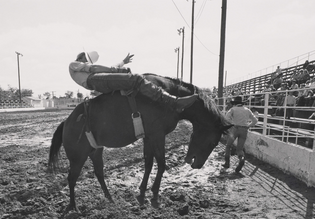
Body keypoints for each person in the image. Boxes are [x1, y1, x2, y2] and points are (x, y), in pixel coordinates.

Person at [68, 51, 198, 112]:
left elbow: (103, 71)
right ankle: (173, 102)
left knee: (128, 73)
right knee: (135, 79)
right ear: (81, 57)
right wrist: (115, 70)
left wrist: (122, 63)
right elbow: (95, 68)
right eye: (86, 59)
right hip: (95, 80)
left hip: (97, 82)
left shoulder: (82, 69)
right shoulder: (74, 64)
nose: (86, 61)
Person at [223, 96, 258, 172]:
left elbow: (226, 118)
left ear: (235, 103)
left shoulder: (233, 109)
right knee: (240, 148)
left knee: (228, 145)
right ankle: (241, 159)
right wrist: (248, 126)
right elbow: (255, 120)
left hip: (235, 128)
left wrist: (231, 123)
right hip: (244, 129)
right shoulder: (247, 110)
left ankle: (227, 163)